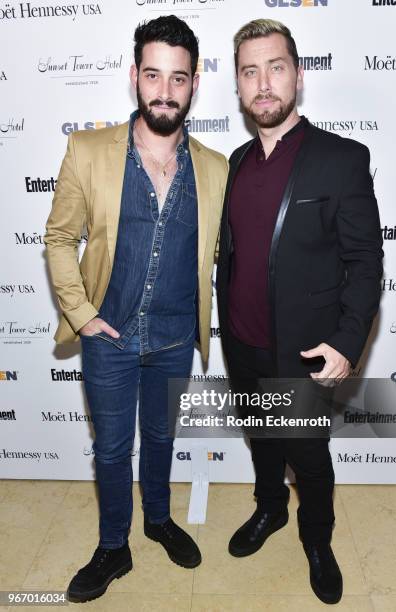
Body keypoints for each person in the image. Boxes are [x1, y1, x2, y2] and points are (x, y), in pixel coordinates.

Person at [45, 15, 228, 603]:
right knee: (111, 448)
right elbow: (58, 238)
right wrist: (82, 314)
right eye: (154, 75)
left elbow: (224, 250)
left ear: (194, 84)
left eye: (178, 79)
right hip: (109, 335)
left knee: (160, 437)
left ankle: (158, 519)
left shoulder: (217, 168)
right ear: (134, 77)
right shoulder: (88, 150)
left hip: (177, 335)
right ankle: (111, 546)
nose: (165, 91)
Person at [216, 19, 383, 605]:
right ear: (238, 86)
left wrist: (347, 339)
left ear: (299, 76)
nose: (263, 83)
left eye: (275, 67)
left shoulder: (341, 158)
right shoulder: (234, 161)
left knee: (309, 458)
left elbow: (366, 262)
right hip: (242, 344)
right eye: (250, 71)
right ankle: (270, 511)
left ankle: (318, 536)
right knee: (263, 444)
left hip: (307, 351)